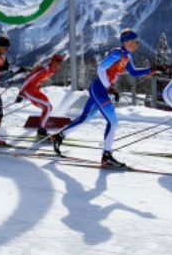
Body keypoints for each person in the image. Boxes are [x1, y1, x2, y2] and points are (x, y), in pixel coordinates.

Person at [50, 29, 156, 168]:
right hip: (100, 88)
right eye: (135, 41)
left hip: (99, 88)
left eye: (138, 42)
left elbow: (133, 72)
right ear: (126, 41)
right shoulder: (117, 53)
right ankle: (107, 157)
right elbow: (101, 68)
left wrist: (150, 70)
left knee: (86, 118)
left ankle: (58, 137)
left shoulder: (127, 56)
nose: (137, 44)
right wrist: (109, 88)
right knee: (112, 121)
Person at [17, 54, 64, 137]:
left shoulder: (51, 71)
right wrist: (21, 93)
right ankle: (41, 130)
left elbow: (38, 81)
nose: (58, 66)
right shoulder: (45, 70)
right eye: (57, 63)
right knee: (47, 107)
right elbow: (29, 79)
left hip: (34, 90)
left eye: (60, 64)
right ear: (52, 62)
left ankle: (41, 126)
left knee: (48, 107)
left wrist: (38, 91)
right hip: (29, 90)